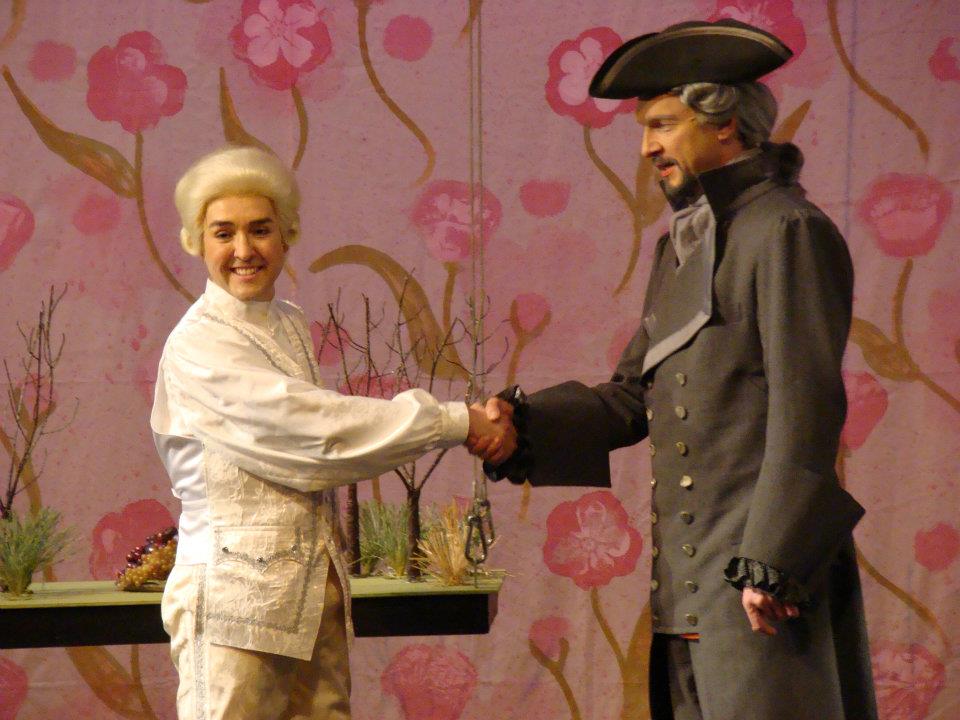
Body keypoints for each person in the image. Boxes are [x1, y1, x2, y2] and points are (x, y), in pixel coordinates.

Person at [471, 19, 877, 720]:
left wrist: (774, 560)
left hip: (760, 576)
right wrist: (521, 427)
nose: (647, 147)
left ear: (725, 125)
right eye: (645, 129)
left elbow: (808, 406)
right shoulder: (683, 244)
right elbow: (634, 396)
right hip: (689, 585)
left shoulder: (787, 230)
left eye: (663, 125)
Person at [151, 145, 513, 720]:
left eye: (260, 230)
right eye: (223, 233)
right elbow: (316, 436)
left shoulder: (288, 323)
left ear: (286, 236)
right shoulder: (200, 342)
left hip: (311, 589)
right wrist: (455, 420)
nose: (243, 250)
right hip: (233, 599)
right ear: (197, 242)